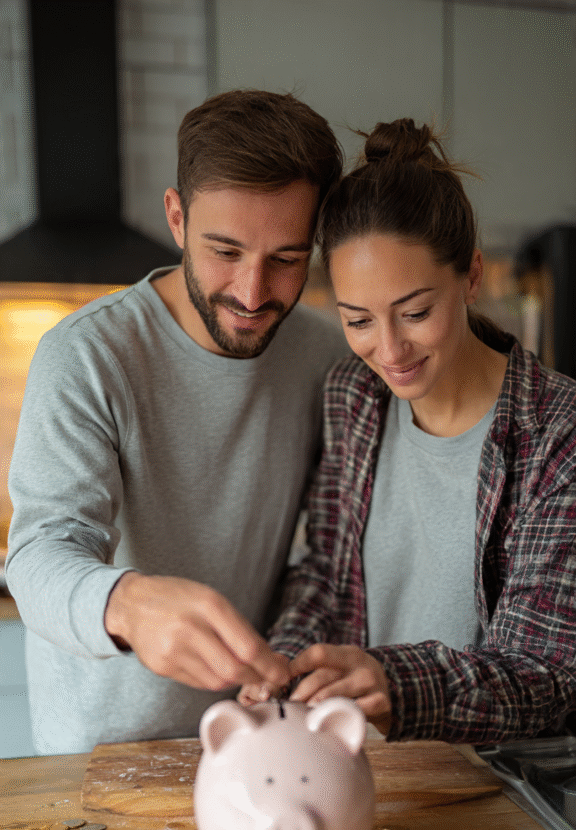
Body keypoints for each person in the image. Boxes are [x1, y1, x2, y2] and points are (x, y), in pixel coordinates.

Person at [6, 89, 345, 754]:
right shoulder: (87, 356)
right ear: (177, 218)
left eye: (286, 258)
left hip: (253, 742)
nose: (252, 293)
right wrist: (126, 604)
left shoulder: (326, 355)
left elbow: (324, 549)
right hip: (95, 759)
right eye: (225, 250)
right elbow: (39, 555)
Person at [240, 118, 576, 746]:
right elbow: (326, 578)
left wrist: (395, 686)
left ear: (471, 276)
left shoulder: (556, 434)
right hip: (363, 768)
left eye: (416, 312)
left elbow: (547, 674)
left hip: (503, 793)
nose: (389, 349)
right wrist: (285, 668)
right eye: (358, 319)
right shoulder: (352, 397)